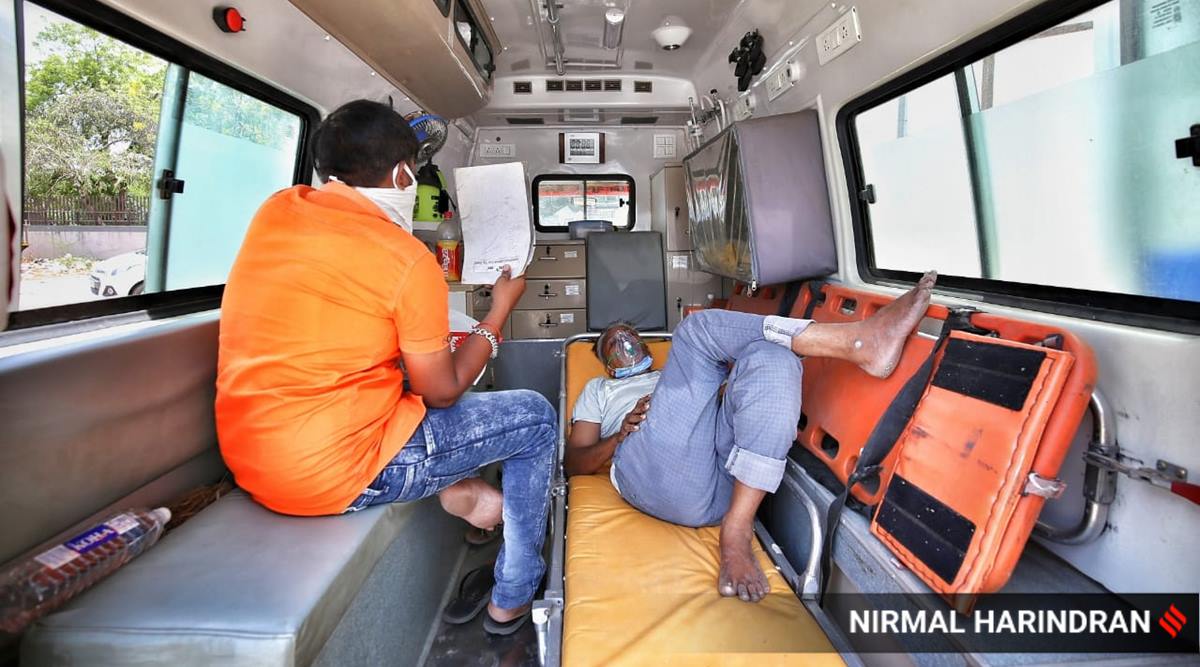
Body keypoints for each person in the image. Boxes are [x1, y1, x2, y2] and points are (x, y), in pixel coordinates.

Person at [215, 100, 554, 635]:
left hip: (254, 459)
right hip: (334, 474)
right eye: (415, 171)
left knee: (412, 391)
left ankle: (460, 492)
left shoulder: (275, 210)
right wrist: (500, 310)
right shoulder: (405, 258)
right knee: (533, 417)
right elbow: (441, 392)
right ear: (401, 174)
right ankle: (513, 590)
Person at [566, 272, 936, 603]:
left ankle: (737, 526)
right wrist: (619, 435)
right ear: (604, 361)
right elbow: (574, 463)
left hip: (729, 482)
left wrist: (731, 395)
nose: (622, 342)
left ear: (647, 347)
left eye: (628, 336)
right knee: (697, 331)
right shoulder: (598, 390)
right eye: (611, 342)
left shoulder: (674, 373)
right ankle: (856, 341)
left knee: (772, 356)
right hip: (656, 473)